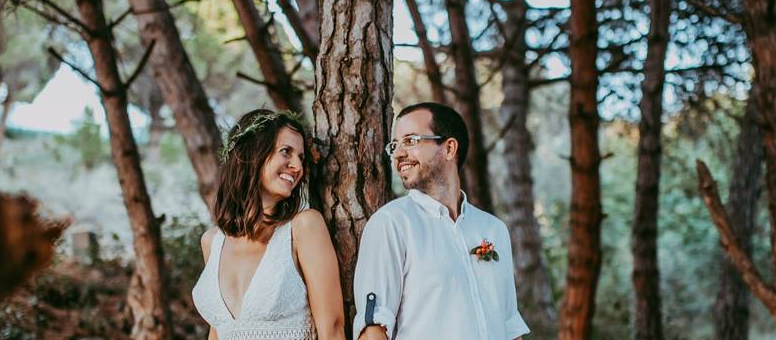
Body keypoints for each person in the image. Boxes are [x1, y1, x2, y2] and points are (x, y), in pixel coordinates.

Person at [353, 102, 529, 340]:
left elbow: (509, 326)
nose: (398, 154)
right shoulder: (391, 224)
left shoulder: (493, 229)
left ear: (449, 148)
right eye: (395, 145)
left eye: (411, 141)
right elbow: (373, 329)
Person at [193, 109, 345, 340]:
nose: (297, 166)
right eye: (286, 152)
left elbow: (331, 328)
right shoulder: (212, 242)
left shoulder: (303, 227)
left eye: (301, 158)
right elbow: (217, 330)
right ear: (253, 153)